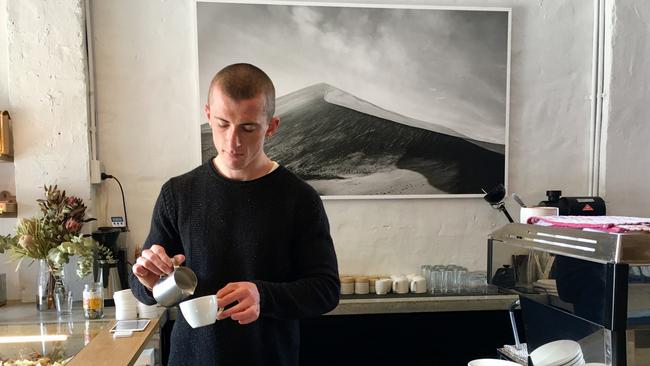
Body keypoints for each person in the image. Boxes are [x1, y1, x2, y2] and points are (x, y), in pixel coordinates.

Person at [129, 63, 340, 366]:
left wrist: (264, 297)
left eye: (248, 128)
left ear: (272, 126)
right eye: (222, 124)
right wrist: (149, 281)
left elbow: (326, 290)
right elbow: (146, 292)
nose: (232, 142)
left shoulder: (299, 199)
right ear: (208, 115)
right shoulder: (177, 194)